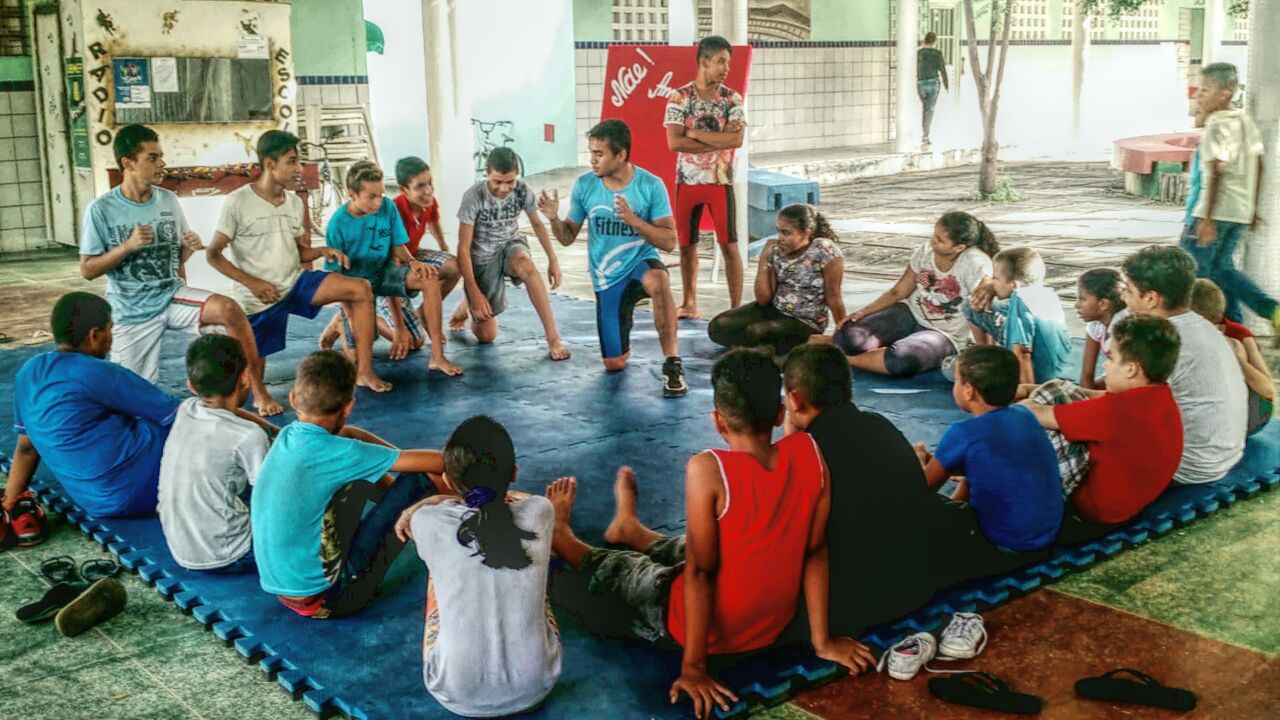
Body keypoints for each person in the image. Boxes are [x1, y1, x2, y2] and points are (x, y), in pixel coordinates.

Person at [545, 349, 875, 720]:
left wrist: (694, 668)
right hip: (769, 624)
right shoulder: (811, 452)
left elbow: (700, 575)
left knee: (625, 570)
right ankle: (632, 530)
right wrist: (823, 642)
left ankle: (564, 539)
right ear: (782, 414)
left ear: (718, 421)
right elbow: (815, 551)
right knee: (703, 544)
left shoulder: (709, 469)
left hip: (691, 623)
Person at [78, 124, 277, 410]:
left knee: (230, 311)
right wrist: (126, 247)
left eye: (161, 156)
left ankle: (255, 391)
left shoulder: (168, 200)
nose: (162, 164)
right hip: (131, 309)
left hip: (171, 295)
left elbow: (173, 261)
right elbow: (87, 270)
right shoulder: (101, 209)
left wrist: (187, 247)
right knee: (132, 396)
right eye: (153, 158)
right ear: (128, 163)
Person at [251, 351, 446, 618]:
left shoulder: (287, 435)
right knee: (424, 479)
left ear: (294, 399)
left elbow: (350, 437)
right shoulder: (340, 453)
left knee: (352, 445)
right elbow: (439, 462)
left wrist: (388, 476)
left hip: (285, 590)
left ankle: (395, 500)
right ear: (349, 407)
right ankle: (468, 524)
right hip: (332, 597)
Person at [394, 416, 561, 717]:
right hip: (538, 684)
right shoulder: (541, 512)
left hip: (455, 692)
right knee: (530, 570)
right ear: (514, 473)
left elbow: (463, 512)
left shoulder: (428, 522)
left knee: (438, 571)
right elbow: (521, 500)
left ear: (447, 480)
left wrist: (432, 500)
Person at [206, 130, 392, 396]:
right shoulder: (238, 202)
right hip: (259, 297)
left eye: (300, 161)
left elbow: (296, 252)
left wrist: (322, 251)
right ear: (270, 164)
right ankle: (260, 394)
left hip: (295, 283)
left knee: (360, 288)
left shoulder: (293, 203)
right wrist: (252, 283)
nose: (299, 168)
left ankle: (364, 372)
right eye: (292, 161)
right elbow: (212, 255)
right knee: (247, 386)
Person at [781, 344, 946, 636]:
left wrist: (791, 439)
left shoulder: (802, 457)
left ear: (794, 399)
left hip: (852, 608)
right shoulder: (879, 425)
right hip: (919, 587)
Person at [539, 119, 687, 396]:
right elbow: (567, 237)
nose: (592, 160)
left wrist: (636, 222)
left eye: (599, 154)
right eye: (591, 153)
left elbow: (669, 241)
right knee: (614, 363)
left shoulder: (650, 185)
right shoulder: (585, 186)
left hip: (640, 262)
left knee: (659, 281)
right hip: (607, 278)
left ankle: (673, 362)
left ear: (621, 155)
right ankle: (623, 316)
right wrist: (553, 219)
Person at [5, 292, 179, 520]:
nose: (112, 337)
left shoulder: (29, 372)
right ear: (94, 335)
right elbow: (177, 415)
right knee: (191, 420)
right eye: (110, 329)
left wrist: (9, 504)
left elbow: (26, 448)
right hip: (137, 492)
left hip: (94, 503)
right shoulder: (101, 372)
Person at [1020, 315, 1183, 543]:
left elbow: (1038, 415)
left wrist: (1010, 406)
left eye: (1110, 358)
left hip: (1093, 516)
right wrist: (1031, 388)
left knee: (1028, 427)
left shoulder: (1115, 412)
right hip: (1134, 503)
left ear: (1131, 369)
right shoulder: (1159, 394)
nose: (1105, 365)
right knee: (1058, 388)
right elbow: (1089, 395)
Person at [318, 160, 461, 377]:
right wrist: (350, 314)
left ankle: (437, 357)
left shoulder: (387, 206)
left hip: (384, 273)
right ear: (352, 194)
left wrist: (414, 262)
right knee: (355, 358)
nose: (378, 202)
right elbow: (337, 278)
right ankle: (342, 322)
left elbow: (397, 246)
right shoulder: (338, 224)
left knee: (428, 276)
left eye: (381, 194)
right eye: (371, 197)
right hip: (355, 287)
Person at [917, 345, 1062, 557]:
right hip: (1048, 533)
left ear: (969, 390)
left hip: (1005, 542)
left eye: (957, 380)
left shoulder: (962, 433)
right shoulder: (1025, 414)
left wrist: (918, 460)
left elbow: (924, 487)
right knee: (974, 474)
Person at [1121, 246, 1246, 484]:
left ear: (1150, 298)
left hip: (1188, 467)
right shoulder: (1203, 326)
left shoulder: (1160, 339)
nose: (1123, 298)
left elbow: (1120, 407)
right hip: (1225, 456)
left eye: (1127, 290)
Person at [157, 335, 277, 573]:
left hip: (179, 549)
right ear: (245, 377)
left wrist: (274, 432)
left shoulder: (186, 408)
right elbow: (272, 503)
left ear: (191, 385)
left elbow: (235, 417)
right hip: (232, 556)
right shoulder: (249, 437)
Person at [832, 211, 997, 376]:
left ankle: (844, 359)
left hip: (944, 333)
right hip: (909, 313)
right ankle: (873, 354)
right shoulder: (926, 251)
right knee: (847, 337)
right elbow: (899, 291)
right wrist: (862, 312)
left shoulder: (974, 262)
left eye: (940, 240)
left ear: (959, 247)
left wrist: (986, 355)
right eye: (934, 234)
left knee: (899, 361)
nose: (933, 241)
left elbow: (983, 298)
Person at [1181, 62, 1279, 334]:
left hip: (1212, 213)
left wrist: (1208, 218)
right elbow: (1260, 165)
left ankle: (1195, 334)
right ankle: (1243, 326)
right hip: (1238, 213)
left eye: (1206, 90)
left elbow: (1217, 169)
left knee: (1191, 278)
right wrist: (1252, 208)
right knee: (1224, 273)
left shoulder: (1217, 124)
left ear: (1225, 93)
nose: (1199, 96)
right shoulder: (1245, 121)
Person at [456, 147, 570, 360]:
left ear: (517, 174)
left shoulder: (522, 190)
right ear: (487, 173)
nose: (504, 188)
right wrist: (473, 291)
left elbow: (537, 224)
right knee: (486, 336)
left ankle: (553, 338)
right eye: (497, 182)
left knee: (526, 266)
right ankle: (467, 306)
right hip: (483, 259)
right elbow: (463, 248)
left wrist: (553, 259)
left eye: (510, 181)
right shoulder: (473, 196)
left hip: (510, 245)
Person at [664, 35, 747, 318]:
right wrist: (718, 139)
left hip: (719, 181)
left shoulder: (731, 98)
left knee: (729, 245)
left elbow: (736, 139)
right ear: (704, 61)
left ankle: (736, 308)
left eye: (729, 62)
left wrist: (697, 134)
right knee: (687, 245)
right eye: (721, 61)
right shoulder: (679, 97)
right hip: (687, 181)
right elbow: (675, 142)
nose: (726, 68)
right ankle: (689, 302)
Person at [708, 204, 846, 355]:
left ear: (806, 233)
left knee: (755, 332)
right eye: (778, 231)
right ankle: (768, 348)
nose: (780, 238)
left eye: (786, 233)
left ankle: (806, 341)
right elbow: (763, 299)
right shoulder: (777, 251)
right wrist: (764, 259)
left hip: (805, 321)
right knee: (718, 326)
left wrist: (842, 335)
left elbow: (834, 296)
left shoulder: (825, 250)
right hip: (776, 309)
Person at [964, 247, 1071, 384]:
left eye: (995, 278)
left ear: (1014, 285)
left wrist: (1026, 396)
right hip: (1058, 371)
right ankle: (990, 355)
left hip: (1038, 378)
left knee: (970, 305)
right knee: (976, 306)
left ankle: (989, 360)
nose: (992, 283)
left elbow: (1022, 353)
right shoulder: (1047, 294)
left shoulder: (1020, 300)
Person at [391, 156, 466, 337]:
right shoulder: (395, 209)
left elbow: (434, 223)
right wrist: (400, 278)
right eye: (420, 186)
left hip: (414, 254)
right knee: (412, 341)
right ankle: (344, 320)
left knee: (455, 266)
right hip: (394, 262)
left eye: (429, 183)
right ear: (404, 190)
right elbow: (393, 248)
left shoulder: (428, 202)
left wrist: (443, 245)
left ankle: (425, 312)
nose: (428, 190)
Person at [1191, 279, 1274, 434]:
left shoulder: (1239, 335)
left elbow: (1267, 390)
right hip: (1209, 415)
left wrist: (1236, 360)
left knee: (1233, 347)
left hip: (1252, 414)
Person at [1075, 268, 1129, 390]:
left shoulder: (1125, 328)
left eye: (1082, 299)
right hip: (1116, 376)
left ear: (1103, 304)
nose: (1076, 305)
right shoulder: (1096, 325)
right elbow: (1087, 374)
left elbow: (1130, 380)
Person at [917, 32, 949, 146]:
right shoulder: (937, 53)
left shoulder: (919, 53)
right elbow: (943, 70)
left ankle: (924, 132)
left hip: (921, 83)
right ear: (935, 41)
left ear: (925, 40)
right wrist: (946, 85)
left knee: (925, 108)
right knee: (929, 109)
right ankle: (925, 135)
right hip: (934, 82)